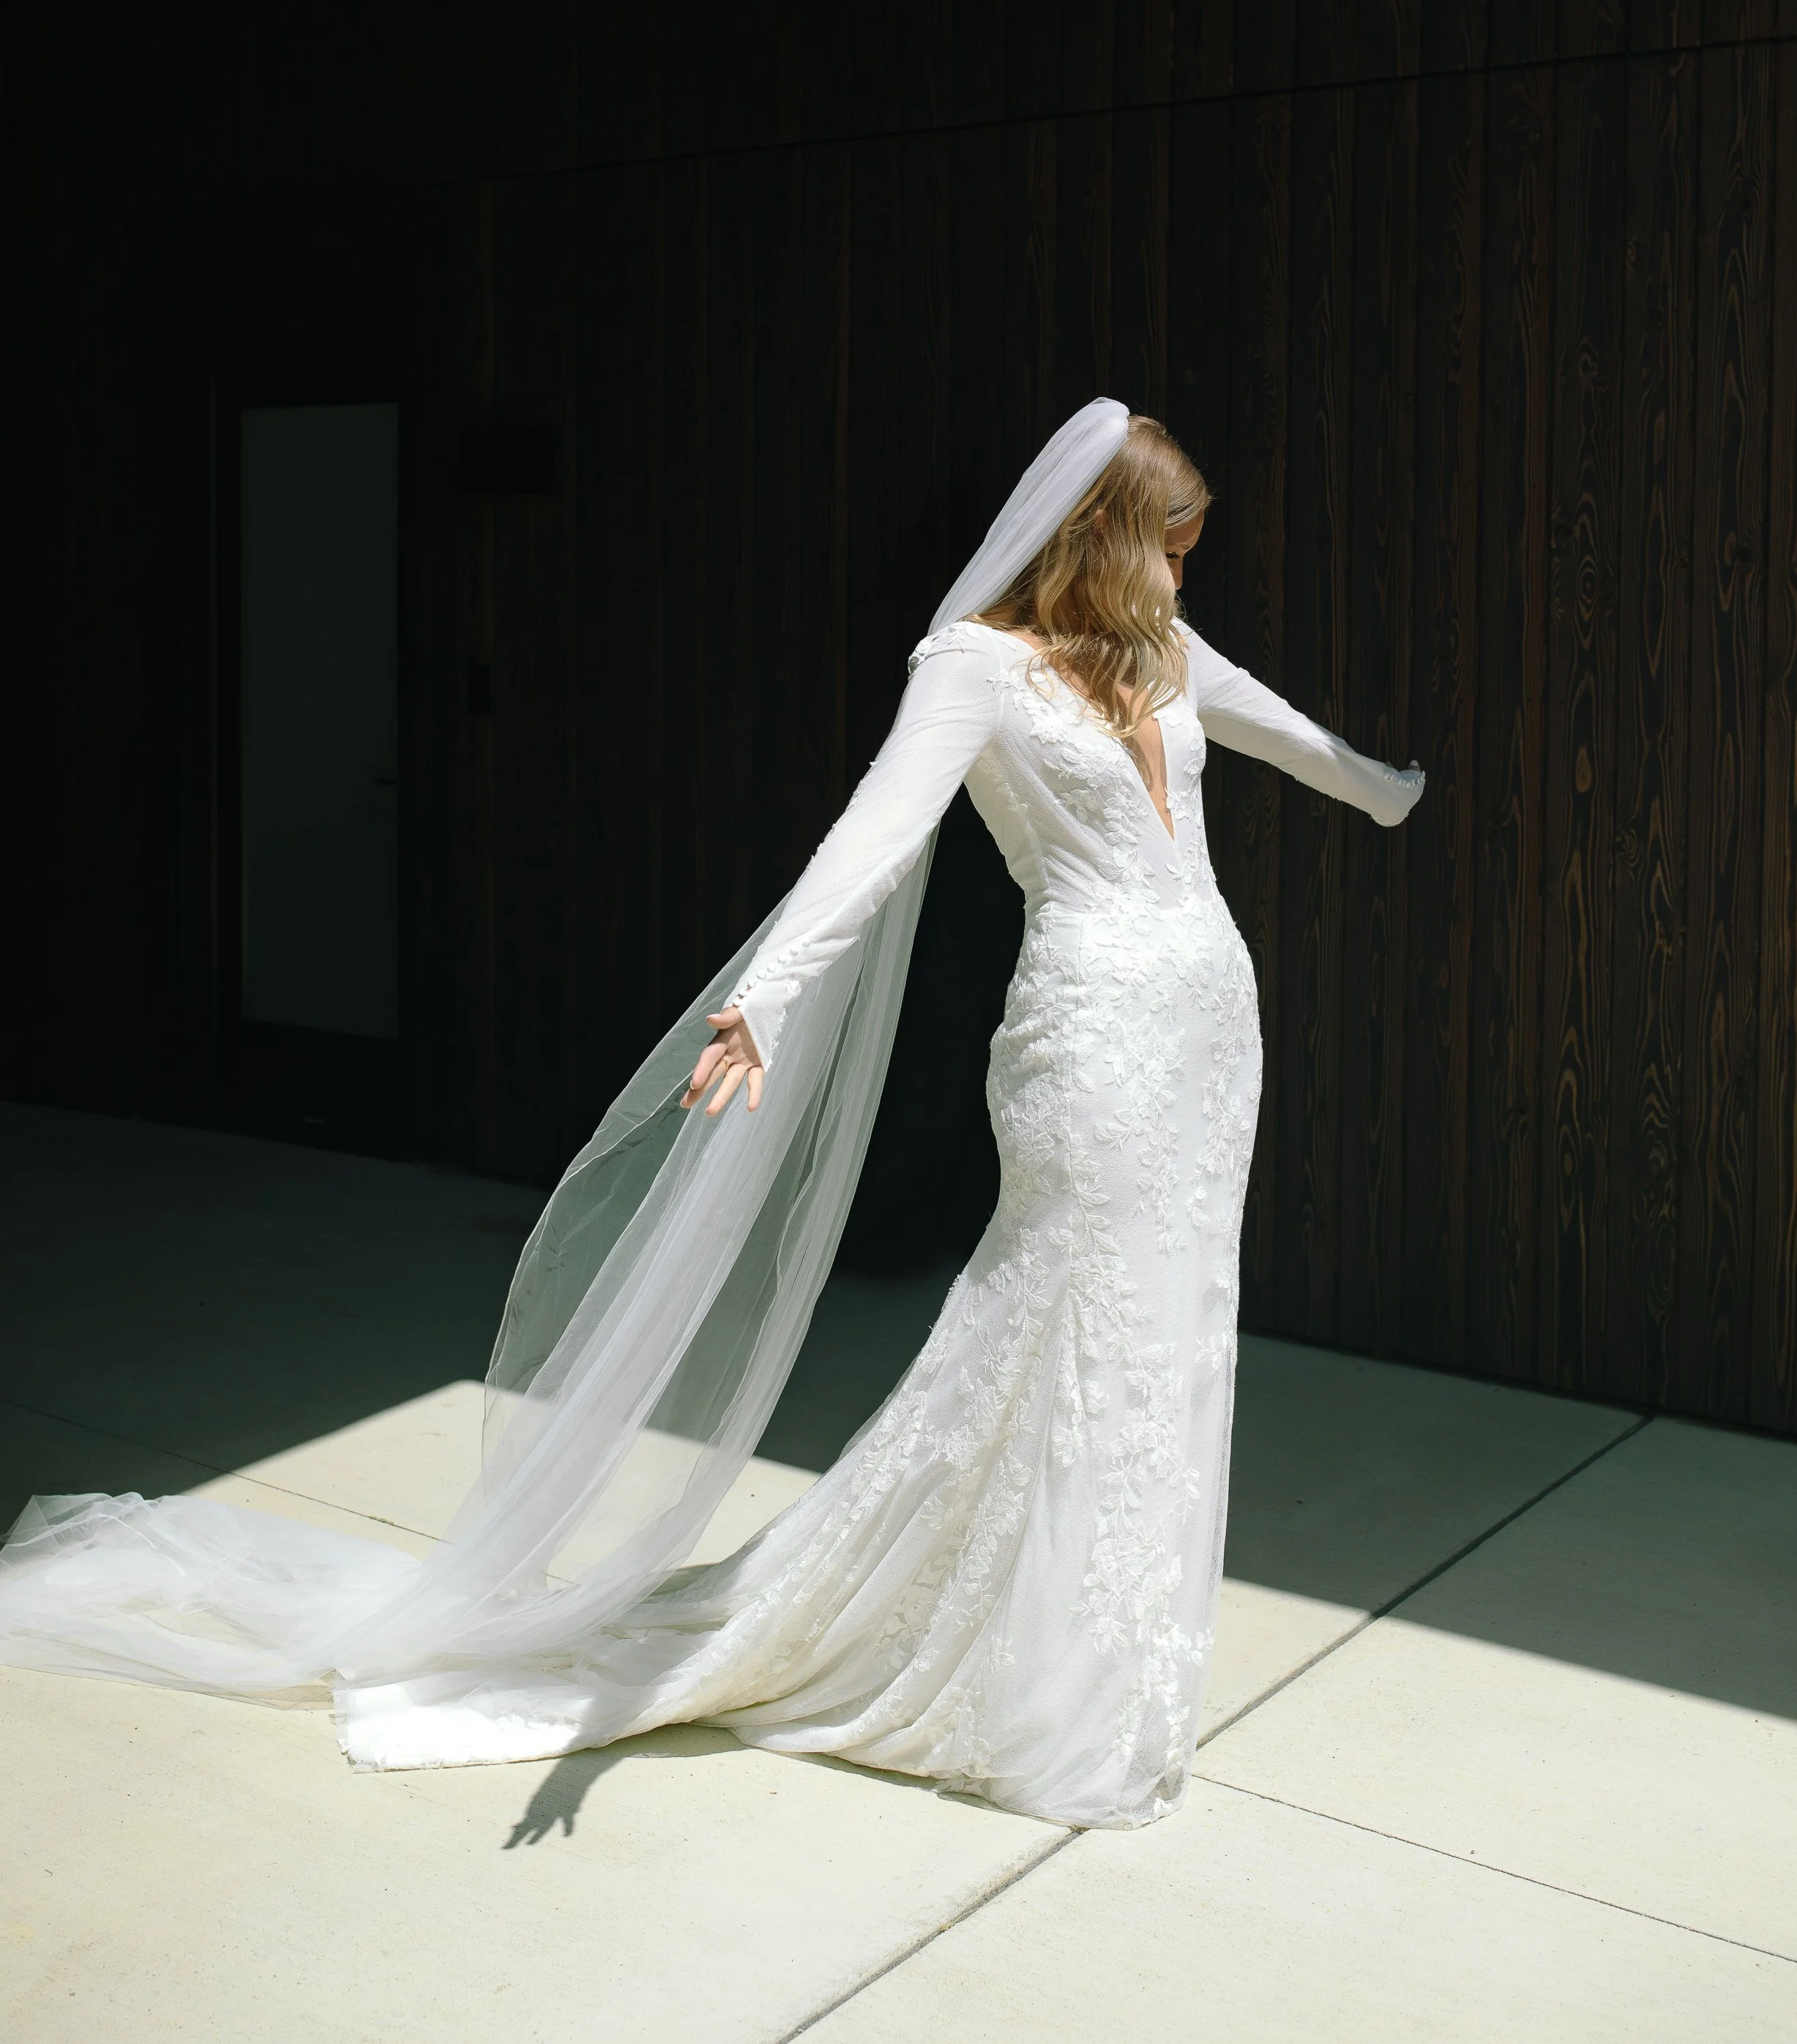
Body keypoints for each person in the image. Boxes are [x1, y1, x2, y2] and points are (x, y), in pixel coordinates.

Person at [0, 403, 1421, 1833]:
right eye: (1172, 545)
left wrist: (1389, 792)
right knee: (1061, 1323)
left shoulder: (1165, 656)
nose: (1184, 574)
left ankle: (1092, 1670)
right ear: (1104, 537)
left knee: (1169, 1329)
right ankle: (1013, 1675)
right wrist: (774, 995)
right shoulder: (974, 668)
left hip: (1205, 1033)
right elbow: (866, 841)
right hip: (1090, 1037)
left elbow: (1305, 746)